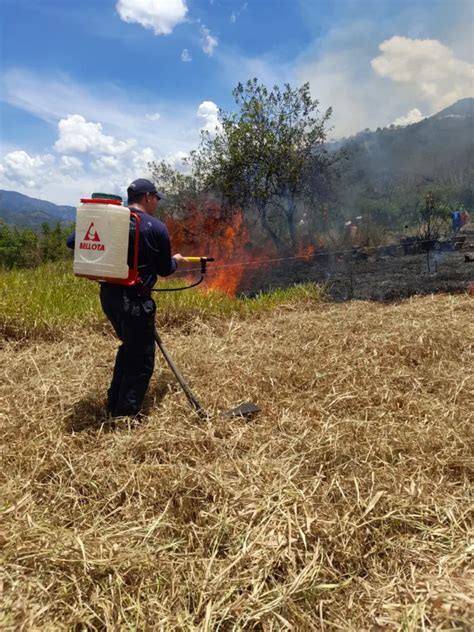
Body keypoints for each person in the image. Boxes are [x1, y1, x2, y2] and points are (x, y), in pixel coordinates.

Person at [67, 178, 183, 418]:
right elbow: (164, 269)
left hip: (109, 297)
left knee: (129, 348)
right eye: (156, 199)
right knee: (141, 360)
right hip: (136, 303)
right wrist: (176, 261)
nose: (157, 203)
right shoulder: (156, 227)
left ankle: (113, 404)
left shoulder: (112, 220)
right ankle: (125, 416)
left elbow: (72, 242)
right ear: (148, 197)